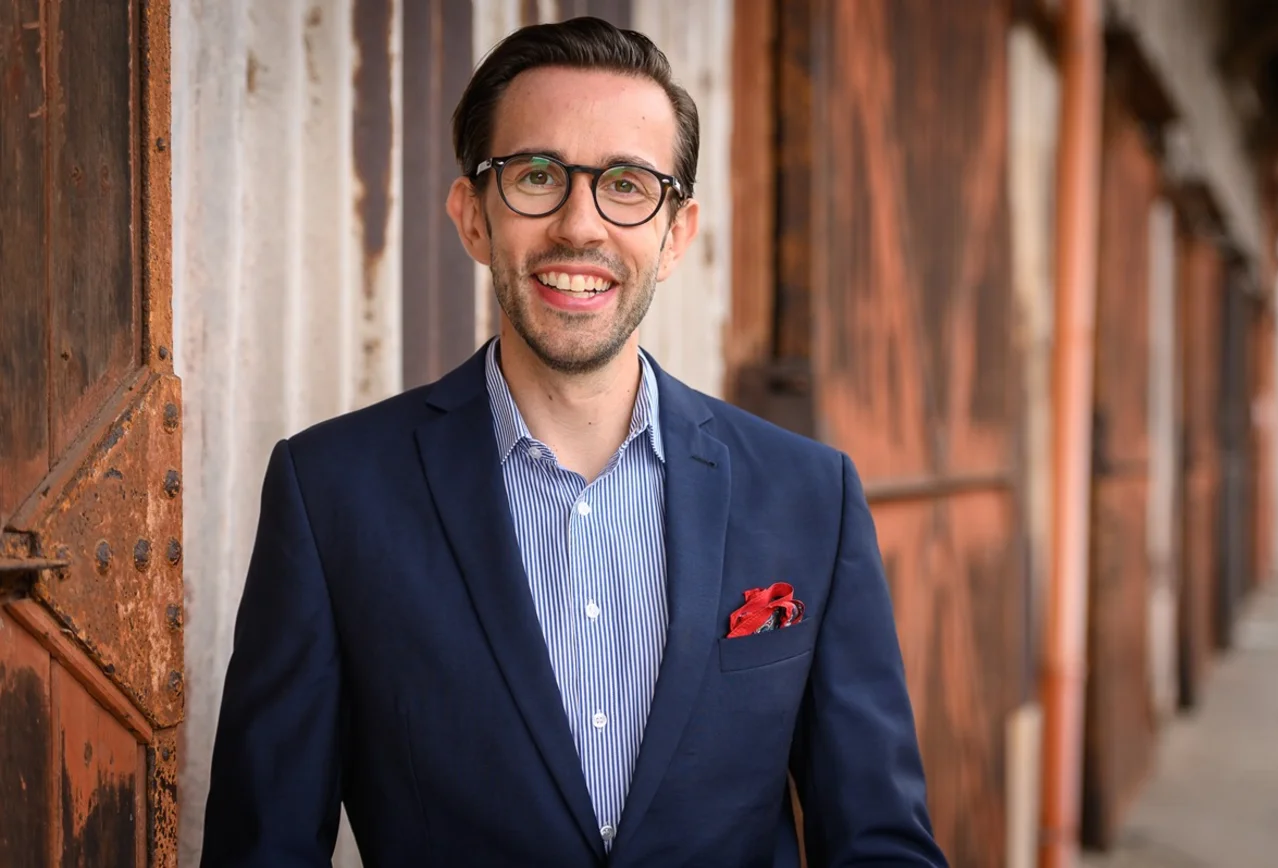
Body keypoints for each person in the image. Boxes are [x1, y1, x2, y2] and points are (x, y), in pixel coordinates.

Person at [200, 16, 947, 868]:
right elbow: (262, 847)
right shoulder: (330, 492)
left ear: (676, 235)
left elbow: (881, 844)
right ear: (473, 217)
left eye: (627, 185)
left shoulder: (810, 496)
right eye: (537, 175)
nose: (580, 226)